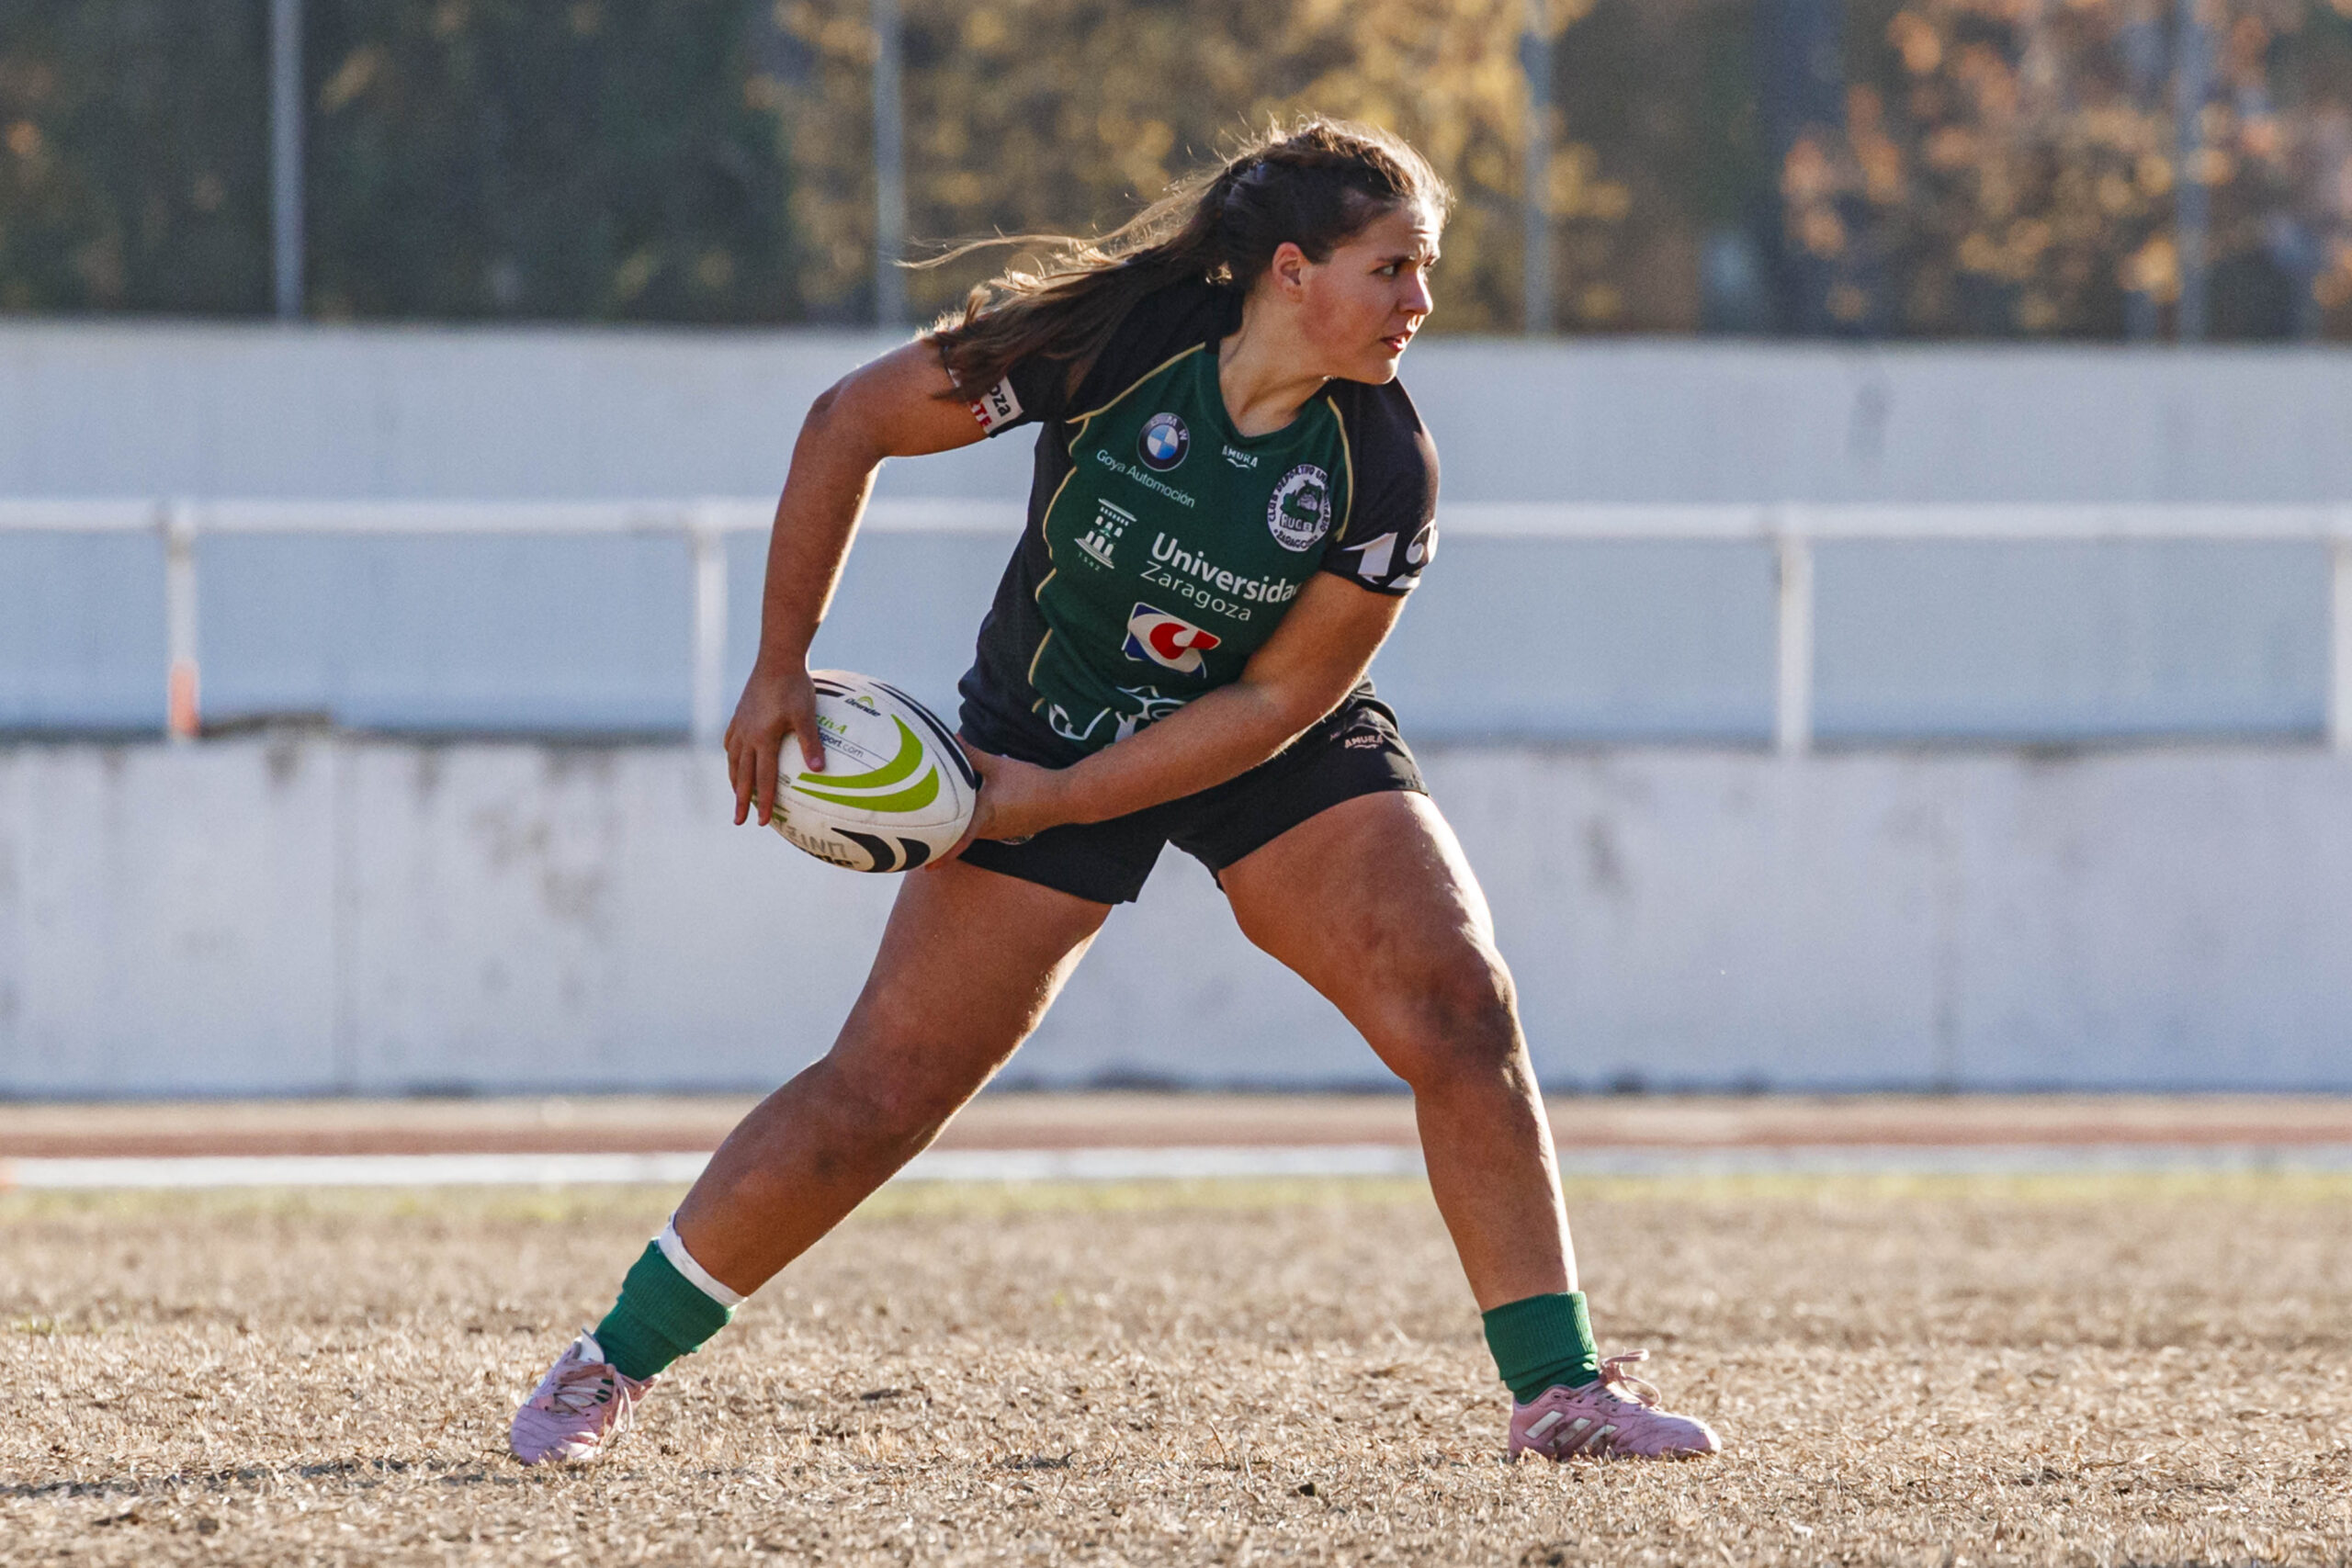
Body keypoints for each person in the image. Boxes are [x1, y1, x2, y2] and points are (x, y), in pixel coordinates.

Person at [508, 118, 1720, 1466]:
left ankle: (1558, 1394)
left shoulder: (1384, 468)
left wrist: (1064, 800)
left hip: (1264, 746)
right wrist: (777, 666)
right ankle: (604, 1366)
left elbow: (1277, 701)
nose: (1420, 305)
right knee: (881, 1094)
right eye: (1394, 269)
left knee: (1458, 999)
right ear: (1290, 270)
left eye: (1425, 271)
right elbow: (849, 421)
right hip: (1044, 721)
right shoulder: (1110, 343)